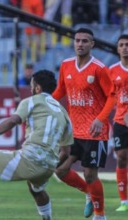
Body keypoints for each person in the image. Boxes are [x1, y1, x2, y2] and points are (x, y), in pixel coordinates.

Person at [0, 69, 73, 220]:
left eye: (32, 85)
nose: (30, 89)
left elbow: (13, 121)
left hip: (31, 157)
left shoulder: (31, 101)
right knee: (35, 188)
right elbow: (66, 152)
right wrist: (51, 165)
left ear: (37, 88)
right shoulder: (63, 112)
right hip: (49, 165)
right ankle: (47, 218)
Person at [52, 28, 116, 220]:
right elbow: (60, 90)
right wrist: (44, 103)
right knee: (60, 170)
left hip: (94, 131)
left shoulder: (99, 68)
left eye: (85, 41)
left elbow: (112, 97)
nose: (80, 44)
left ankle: (100, 215)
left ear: (92, 44)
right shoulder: (66, 65)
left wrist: (100, 119)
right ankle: (89, 192)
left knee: (90, 174)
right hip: (73, 130)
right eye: (77, 40)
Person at [109, 34, 128, 212]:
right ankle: (124, 201)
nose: (125, 48)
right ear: (117, 48)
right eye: (121, 45)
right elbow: (109, 96)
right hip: (121, 121)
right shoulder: (112, 70)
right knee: (121, 157)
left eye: (127, 44)